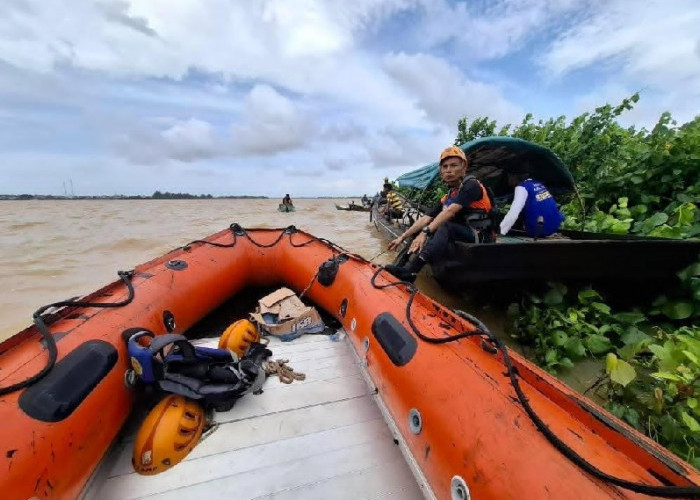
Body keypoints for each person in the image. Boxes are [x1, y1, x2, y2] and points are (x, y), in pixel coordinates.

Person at [384, 146, 494, 282]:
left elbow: (450, 211)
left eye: (454, 165)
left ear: (464, 167)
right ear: (441, 172)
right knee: (418, 230)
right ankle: (400, 266)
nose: (449, 170)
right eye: (445, 167)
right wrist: (402, 237)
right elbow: (426, 218)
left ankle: (412, 272)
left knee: (444, 226)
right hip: (462, 231)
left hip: (479, 234)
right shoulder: (449, 195)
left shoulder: (472, 186)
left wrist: (425, 233)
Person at [499, 172, 564, 238]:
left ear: (512, 176)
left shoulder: (522, 187)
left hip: (538, 230)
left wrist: (500, 232)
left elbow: (513, 213)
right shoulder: (538, 183)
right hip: (554, 227)